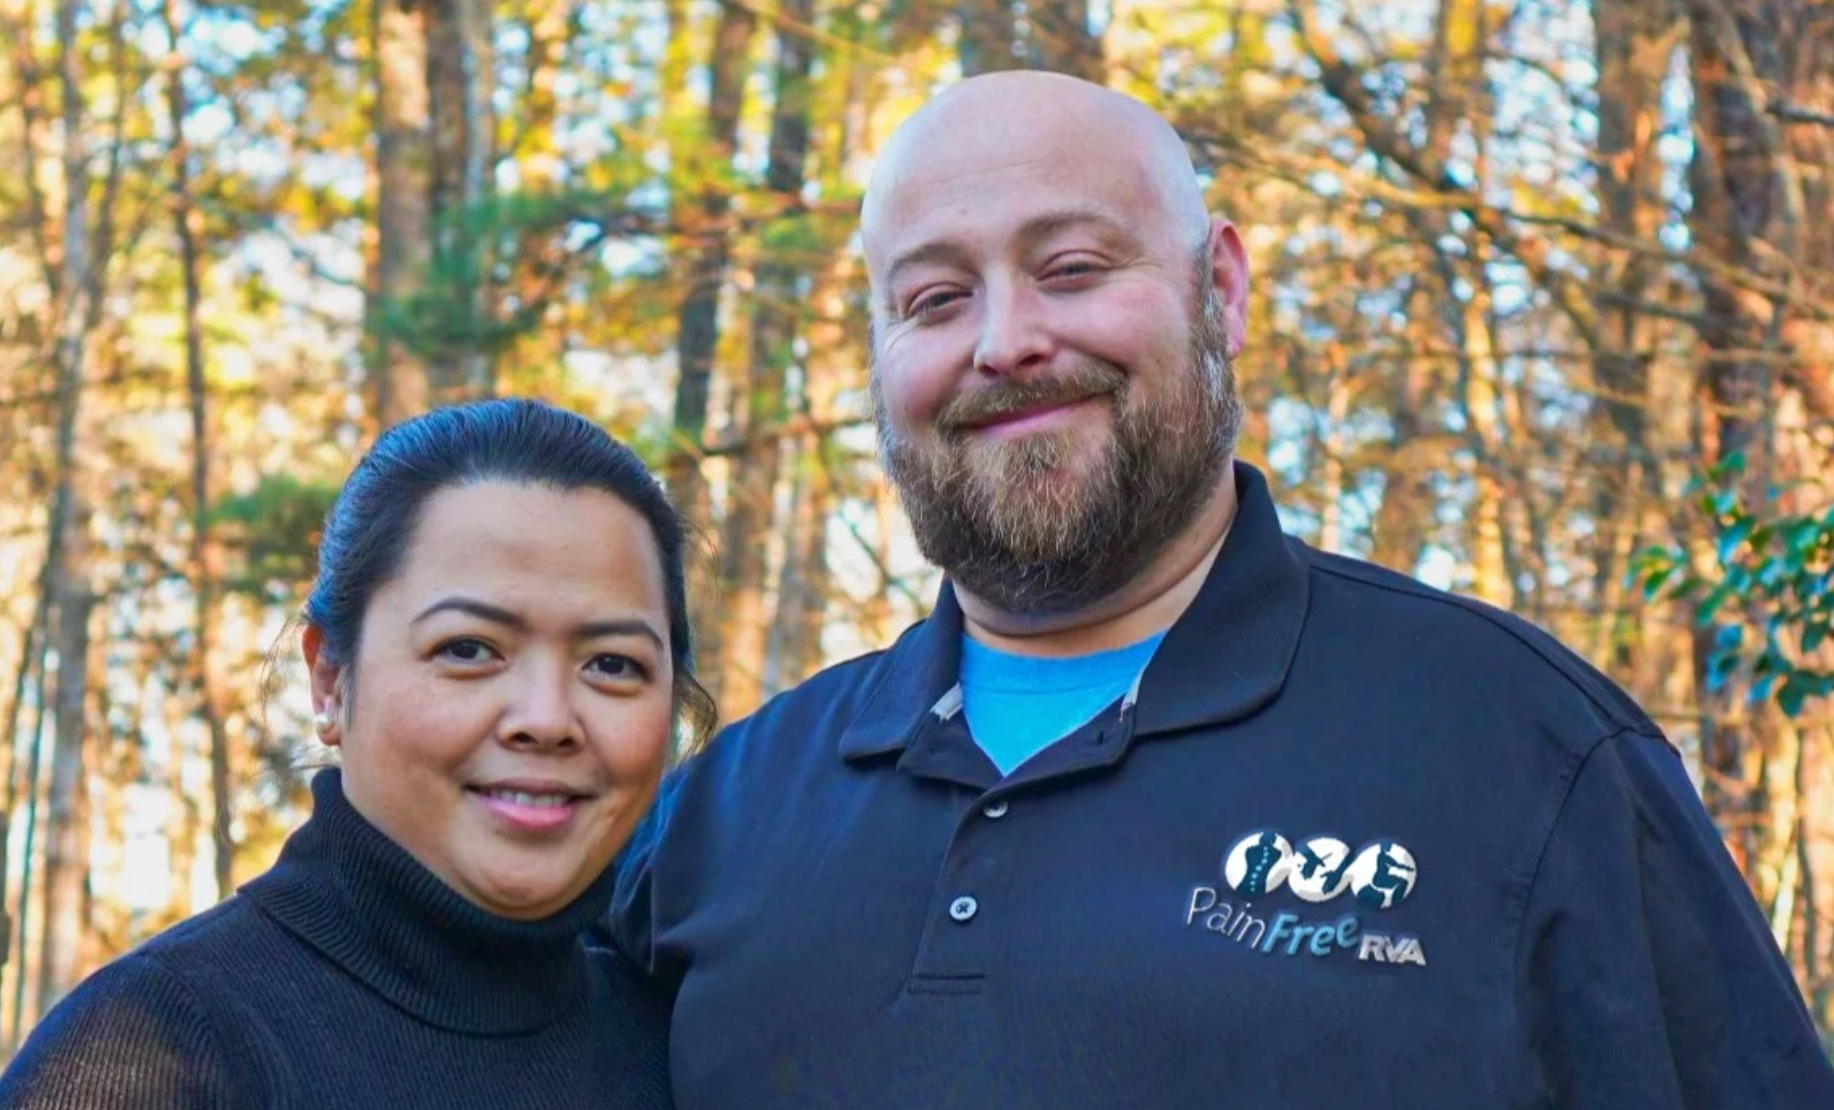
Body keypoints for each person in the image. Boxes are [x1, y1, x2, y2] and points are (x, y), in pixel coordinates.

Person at [610, 70, 1834, 1108]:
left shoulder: (1531, 757)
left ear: (1224, 290)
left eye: (1074, 266)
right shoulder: (723, 814)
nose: (1005, 341)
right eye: (934, 298)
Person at [1, 399, 705, 1109]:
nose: (547, 719)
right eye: (468, 649)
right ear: (331, 679)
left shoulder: (684, 1051)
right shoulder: (156, 1053)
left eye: (613, 664)